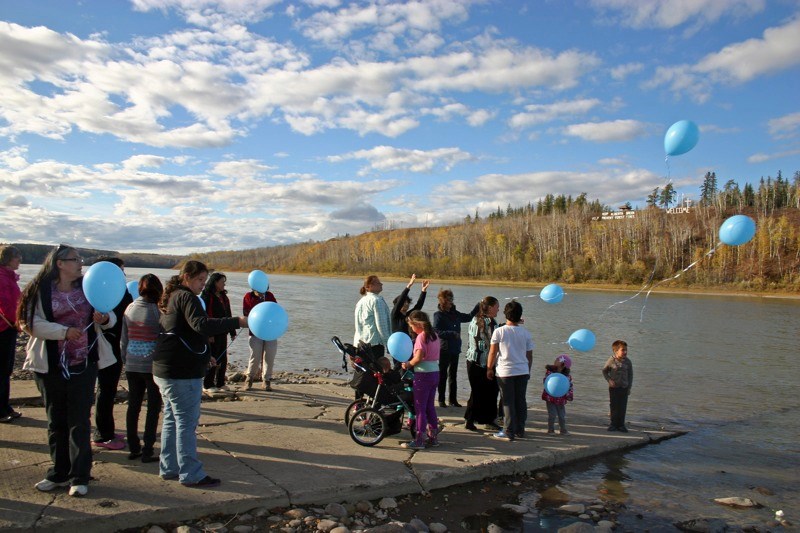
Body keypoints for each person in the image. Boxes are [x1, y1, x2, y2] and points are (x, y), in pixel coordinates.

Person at [18, 244, 117, 497]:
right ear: (60, 263)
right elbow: (30, 324)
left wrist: (104, 319)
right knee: (56, 421)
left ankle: (80, 476)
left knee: (79, 422)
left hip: (83, 364)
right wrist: (62, 332)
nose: (80, 263)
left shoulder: (88, 287)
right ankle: (57, 473)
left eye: (80, 258)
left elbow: (111, 316)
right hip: (49, 365)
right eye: (75, 259)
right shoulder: (39, 290)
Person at [152, 261, 247, 488]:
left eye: (205, 280)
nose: (202, 285)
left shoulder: (173, 296)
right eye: (199, 280)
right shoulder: (186, 297)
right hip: (180, 372)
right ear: (186, 277)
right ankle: (191, 473)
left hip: (165, 368)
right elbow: (201, 325)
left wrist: (205, 356)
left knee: (171, 419)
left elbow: (184, 333)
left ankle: (169, 468)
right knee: (185, 422)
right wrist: (238, 321)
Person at [120, 274, 164, 463]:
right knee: (153, 408)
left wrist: (125, 359)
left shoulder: (129, 308)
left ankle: (133, 447)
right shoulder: (156, 312)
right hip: (150, 366)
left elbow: (124, 338)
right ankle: (147, 449)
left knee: (133, 406)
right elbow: (162, 339)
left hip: (132, 363)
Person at [92, 256, 134, 450]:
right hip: (105, 347)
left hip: (115, 345)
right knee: (106, 390)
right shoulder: (103, 289)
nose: (124, 274)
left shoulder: (119, 290)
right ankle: (102, 434)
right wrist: (105, 320)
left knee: (108, 390)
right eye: (121, 270)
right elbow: (111, 316)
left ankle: (105, 429)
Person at [486, 300, 534, 441]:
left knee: (507, 401)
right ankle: (520, 429)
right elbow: (529, 355)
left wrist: (489, 368)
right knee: (520, 401)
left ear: (505, 314)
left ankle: (508, 431)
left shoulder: (499, 331)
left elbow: (492, 352)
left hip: (505, 372)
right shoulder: (526, 333)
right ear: (520, 315)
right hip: (522, 370)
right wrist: (528, 370)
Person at [400, 310, 440, 450]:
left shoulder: (421, 337)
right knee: (430, 406)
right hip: (435, 372)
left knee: (420, 408)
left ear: (417, 324)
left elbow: (418, 358)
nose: (411, 328)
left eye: (411, 325)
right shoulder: (435, 335)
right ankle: (433, 437)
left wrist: (407, 364)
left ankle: (419, 439)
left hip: (423, 375)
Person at [433, 289, 478, 408]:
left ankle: (453, 400)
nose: (451, 301)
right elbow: (436, 331)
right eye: (448, 299)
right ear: (443, 301)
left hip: (455, 349)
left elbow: (468, 317)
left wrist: (478, 306)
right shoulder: (438, 315)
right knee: (443, 375)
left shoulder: (456, 314)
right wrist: (451, 333)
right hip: (444, 349)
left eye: (452, 299)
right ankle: (441, 400)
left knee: (453, 375)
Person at [463, 296, 500, 431]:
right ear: (490, 308)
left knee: (479, 392)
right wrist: (490, 367)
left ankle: (474, 419)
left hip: (471, 361)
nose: (498, 309)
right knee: (488, 392)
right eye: (497, 306)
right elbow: (494, 343)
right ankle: (482, 419)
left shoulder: (475, 318)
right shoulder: (490, 322)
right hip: (484, 363)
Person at [201, 272, 236, 391]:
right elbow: (205, 316)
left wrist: (232, 331)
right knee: (213, 357)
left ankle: (221, 383)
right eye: (222, 282)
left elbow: (228, 315)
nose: (224, 284)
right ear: (215, 282)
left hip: (223, 332)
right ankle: (208, 384)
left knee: (223, 358)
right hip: (212, 333)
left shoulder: (224, 297)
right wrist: (209, 334)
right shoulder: (207, 296)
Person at [0, 246, 23, 424]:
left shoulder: (9, 277)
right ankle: (1, 409)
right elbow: (7, 306)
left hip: (9, 328)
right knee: (2, 370)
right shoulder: (2, 278)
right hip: (3, 329)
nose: (20, 260)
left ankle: (5, 406)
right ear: (7, 258)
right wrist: (20, 323)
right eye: (17, 257)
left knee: (6, 369)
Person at [243, 284, 277, 391]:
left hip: (270, 331)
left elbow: (275, 310)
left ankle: (266, 380)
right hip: (255, 332)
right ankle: (249, 378)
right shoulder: (248, 296)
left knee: (270, 355)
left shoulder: (270, 296)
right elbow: (246, 312)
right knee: (255, 355)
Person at [354, 275, 391, 362]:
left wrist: (355, 344)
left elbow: (358, 325)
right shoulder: (377, 301)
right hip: (374, 344)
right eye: (378, 283)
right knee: (375, 372)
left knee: (364, 371)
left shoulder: (361, 301)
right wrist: (388, 344)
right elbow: (381, 325)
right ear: (370, 286)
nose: (381, 284)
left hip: (361, 343)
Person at [603, 340, 633, 432]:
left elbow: (630, 375)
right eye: (623, 350)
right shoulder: (611, 360)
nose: (625, 352)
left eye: (626, 350)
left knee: (622, 406)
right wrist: (609, 380)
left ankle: (621, 425)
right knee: (614, 406)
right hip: (614, 388)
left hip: (624, 387)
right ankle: (613, 424)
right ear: (616, 351)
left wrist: (629, 387)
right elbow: (604, 371)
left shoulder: (628, 362)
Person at [542, 354, 574, 435]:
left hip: (561, 398)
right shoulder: (549, 372)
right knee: (552, 415)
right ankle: (550, 429)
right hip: (550, 397)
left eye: (557, 360)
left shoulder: (567, 377)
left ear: (563, 365)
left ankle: (563, 430)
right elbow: (546, 381)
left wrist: (569, 396)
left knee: (562, 416)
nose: (555, 360)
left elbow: (569, 386)